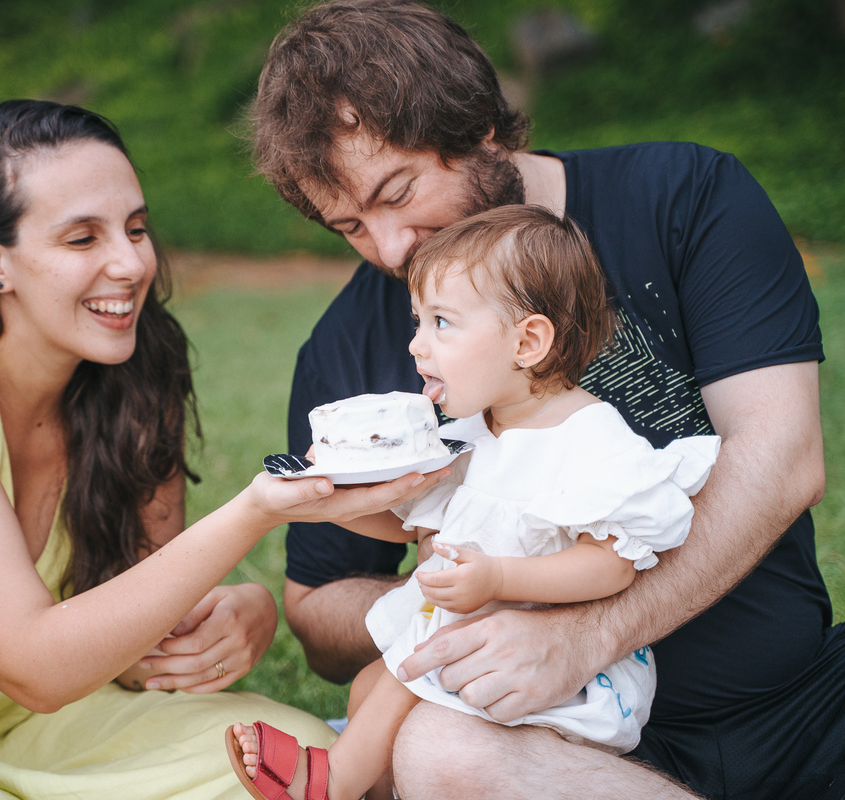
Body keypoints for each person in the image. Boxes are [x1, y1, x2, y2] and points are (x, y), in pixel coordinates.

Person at [248, 2, 845, 798]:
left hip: (799, 699)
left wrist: (588, 632)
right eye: (349, 226)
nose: (393, 248)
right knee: (442, 753)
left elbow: (782, 458)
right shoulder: (349, 342)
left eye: (399, 190)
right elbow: (318, 609)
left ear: (482, 128)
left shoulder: (685, 195)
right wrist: (460, 591)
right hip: (559, 747)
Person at [0, 99, 447, 799]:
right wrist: (254, 512)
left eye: (136, 229)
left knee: (303, 762)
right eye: (82, 239)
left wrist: (247, 614)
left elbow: (133, 641)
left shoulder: (135, 375)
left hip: (34, 729)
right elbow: (33, 664)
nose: (130, 262)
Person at [227, 206, 721, 800]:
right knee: (368, 689)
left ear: (528, 341)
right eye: (418, 321)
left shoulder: (590, 440)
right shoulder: (474, 433)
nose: (417, 345)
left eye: (442, 323)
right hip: (468, 639)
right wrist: (337, 497)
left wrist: (500, 577)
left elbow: (611, 563)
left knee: (393, 690)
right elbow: (419, 524)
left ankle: (326, 784)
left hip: (551, 666)